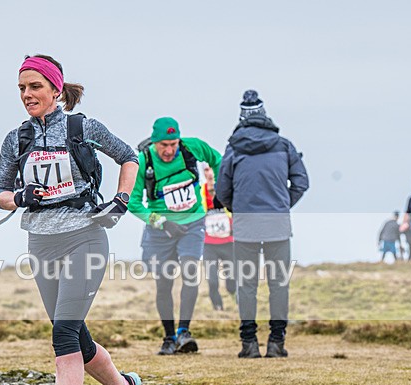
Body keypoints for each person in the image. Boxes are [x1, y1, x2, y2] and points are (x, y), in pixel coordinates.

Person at [0, 54, 143, 385]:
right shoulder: (16, 138)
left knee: (62, 333)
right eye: (22, 88)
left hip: (85, 238)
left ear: (55, 90)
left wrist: (121, 201)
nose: (27, 95)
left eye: (35, 86)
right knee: (76, 337)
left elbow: (129, 156)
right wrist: (18, 198)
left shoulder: (83, 127)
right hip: (41, 244)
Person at [216, 90, 309, 359]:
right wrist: (281, 206)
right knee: (279, 284)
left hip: (245, 225)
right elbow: (302, 183)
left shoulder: (233, 148)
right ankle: (276, 343)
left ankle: (249, 345)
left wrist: (239, 209)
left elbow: (222, 191)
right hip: (278, 225)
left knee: (246, 285)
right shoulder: (284, 145)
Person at [127, 118, 222, 355]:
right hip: (161, 230)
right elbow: (133, 202)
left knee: (191, 273)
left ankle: (184, 333)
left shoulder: (193, 147)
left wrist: (220, 188)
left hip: (193, 223)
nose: (169, 150)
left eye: (173, 144)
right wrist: (162, 222)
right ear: (154, 143)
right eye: (164, 146)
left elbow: (218, 161)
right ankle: (168, 337)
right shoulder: (143, 162)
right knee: (164, 283)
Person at [202, 171, 236, 310]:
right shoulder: (200, 193)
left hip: (228, 243)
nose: (210, 174)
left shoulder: (227, 189)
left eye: (212, 170)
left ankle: (234, 296)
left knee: (232, 279)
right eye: (206, 170)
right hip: (208, 245)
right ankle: (218, 307)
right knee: (212, 281)